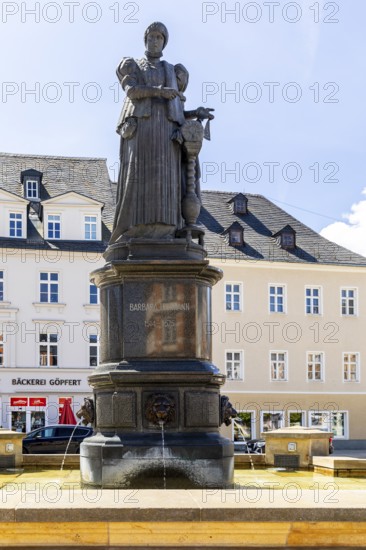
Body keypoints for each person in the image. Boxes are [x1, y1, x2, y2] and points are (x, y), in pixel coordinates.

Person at [110, 22, 213, 244]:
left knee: (168, 181)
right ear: (145, 39)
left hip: (167, 133)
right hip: (142, 130)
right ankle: (135, 230)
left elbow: (176, 110)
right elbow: (131, 91)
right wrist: (160, 92)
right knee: (138, 178)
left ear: (164, 42)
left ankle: (167, 229)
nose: (155, 40)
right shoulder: (133, 66)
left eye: (159, 37)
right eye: (152, 36)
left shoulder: (171, 70)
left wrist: (196, 113)